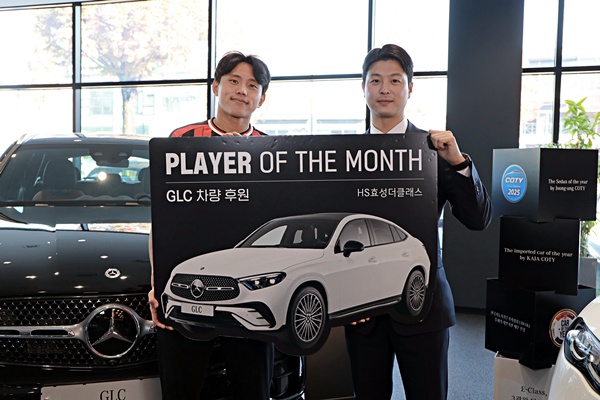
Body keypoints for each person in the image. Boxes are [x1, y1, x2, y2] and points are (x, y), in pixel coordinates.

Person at [344, 44, 493, 400]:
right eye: (375, 80)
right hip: (364, 311)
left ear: (409, 88)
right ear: (363, 88)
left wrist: (458, 163)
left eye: (395, 80)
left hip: (424, 303)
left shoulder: (434, 151)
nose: (384, 89)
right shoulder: (344, 156)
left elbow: (478, 219)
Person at [148, 51, 273, 399]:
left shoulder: (270, 149)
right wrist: (158, 283)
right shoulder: (181, 140)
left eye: (253, 86)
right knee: (182, 388)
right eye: (234, 81)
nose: (242, 91)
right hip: (189, 286)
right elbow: (162, 221)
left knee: (253, 389)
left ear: (261, 98)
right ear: (216, 86)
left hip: (249, 289)